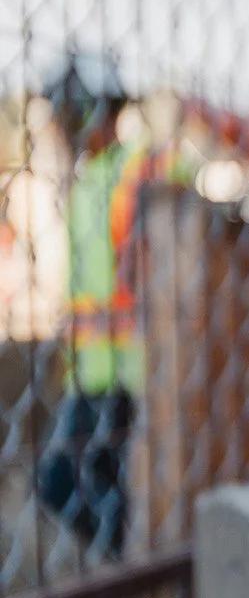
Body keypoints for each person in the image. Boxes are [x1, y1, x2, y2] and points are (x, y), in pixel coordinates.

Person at [34, 53, 189, 559]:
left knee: (61, 480)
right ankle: (133, 561)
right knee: (88, 484)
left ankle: (131, 560)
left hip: (128, 374)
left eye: (65, 116)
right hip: (97, 373)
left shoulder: (134, 168)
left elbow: (177, 174)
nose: (59, 129)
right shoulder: (89, 180)